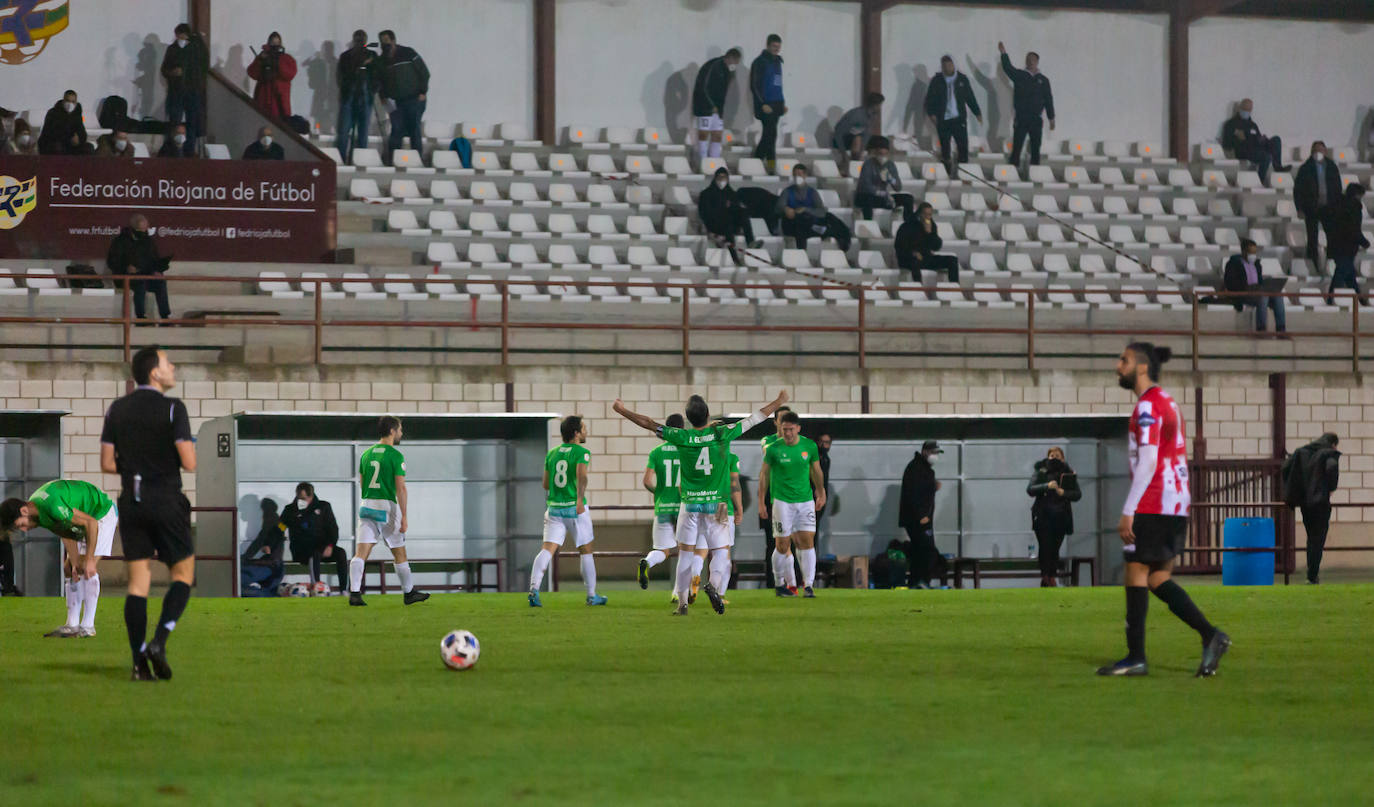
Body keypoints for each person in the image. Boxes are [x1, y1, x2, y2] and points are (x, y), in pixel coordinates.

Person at [1098, 342, 1230, 677]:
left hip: (1155, 500)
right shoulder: (1167, 401)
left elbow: (1149, 460)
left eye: (1123, 360)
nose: (1118, 366)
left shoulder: (1148, 406)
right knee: (1157, 577)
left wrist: (1129, 509)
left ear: (1141, 368)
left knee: (1136, 571)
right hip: (1175, 502)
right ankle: (1209, 635)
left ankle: (1136, 657)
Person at [614, 390, 790, 615]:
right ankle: (714, 586)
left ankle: (682, 603)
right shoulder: (722, 433)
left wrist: (621, 410)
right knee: (720, 552)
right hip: (717, 505)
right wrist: (778, 402)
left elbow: (648, 423)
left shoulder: (681, 437)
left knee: (686, 555)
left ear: (688, 419)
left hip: (689, 505)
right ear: (708, 414)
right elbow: (755, 418)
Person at [100, 347, 197, 681]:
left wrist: (136, 466)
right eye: (168, 363)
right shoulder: (173, 409)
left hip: (132, 502)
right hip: (166, 499)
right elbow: (189, 462)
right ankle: (160, 640)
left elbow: (107, 463)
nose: (173, 367)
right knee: (183, 575)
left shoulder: (117, 409)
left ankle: (138, 663)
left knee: (137, 584)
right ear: (154, 373)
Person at [1, 479, 117, 638]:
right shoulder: (39, 512)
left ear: (24, 511)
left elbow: (91, 523)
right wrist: (73, 560)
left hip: (101, 513)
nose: (23, 530)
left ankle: (88, 627)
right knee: (69, 568)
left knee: (86, 567)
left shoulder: (51, 506)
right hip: (87, 521)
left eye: (20, 525)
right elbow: (65, 531)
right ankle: (72, 624)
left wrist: (89, 559)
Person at [347, 416, 429, 606]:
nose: (401, 433)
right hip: (387, 506)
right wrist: (405, 516)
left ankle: (354, 593)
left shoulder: (366, 454)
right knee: (399, 552)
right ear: (392, 431)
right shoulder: (395, 455)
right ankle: (409, 593)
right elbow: (401, 488)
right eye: (400, 429)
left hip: (367, 504)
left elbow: (362, 481)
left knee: (361, 552)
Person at [527, 416, 606, 607]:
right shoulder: (582, 452)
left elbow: (545, 483)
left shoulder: (552, 454)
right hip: (575, 508)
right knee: (586, 551)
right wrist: (579, 499)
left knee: (547, 550)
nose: (586, 431)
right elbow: (582, 476)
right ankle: (591, 595)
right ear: (576, 433)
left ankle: (534, 589)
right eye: (584, 428)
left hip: (554, 508)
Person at [759, 411, 826, 598]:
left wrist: (820, 492)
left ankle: (809, 585)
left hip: (805, 501)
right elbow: (763, 476)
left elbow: (816, 470)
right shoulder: (773, 449)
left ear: (798, 428)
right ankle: (779, 583)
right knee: (782, 544)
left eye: (790, 429)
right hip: (782, 502)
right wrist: (761, 503)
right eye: (784, 429)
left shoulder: (809, 446)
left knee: (807, 541)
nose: (787, 433)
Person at [1281, 433, 1340, 584]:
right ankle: (1312, 575)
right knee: (1318, 539)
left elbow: (1286, 466)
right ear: (1333, 444)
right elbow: (1332, 467)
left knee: (1311, 537)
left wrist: (1293, 488)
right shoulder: (1328, 453)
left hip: (1305, 503)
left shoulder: (1302, 452)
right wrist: (1331, 487)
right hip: (1320, 502)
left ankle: (1311, 574)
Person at [639, 414, 685, 590]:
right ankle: (677, 593)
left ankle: (647, 562)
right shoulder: (686, 450)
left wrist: (659, 492)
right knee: (686, 551)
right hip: (683, 507)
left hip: (663, 506)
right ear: (682, 429)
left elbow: (646, 481)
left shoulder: (656, 452)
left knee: (662, 551)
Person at [1026, 447, 1081, 587]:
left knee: (1055, 548)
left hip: (1061, 517)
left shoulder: (1068, 473)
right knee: (1045, 546)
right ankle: (1045, 576)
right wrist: (1047, 486)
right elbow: (1030, 489)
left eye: (1058, 455)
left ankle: (1052, 575)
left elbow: (1077, 494)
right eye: (1052, 455)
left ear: (1063, 458)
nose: (1055, 458)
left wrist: (1064, 493)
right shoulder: (1041, 471)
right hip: (1043, 516)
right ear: (1047, 457)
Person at [280, 482, 346, 593]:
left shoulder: (323, 507)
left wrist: (330, 545)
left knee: (341, 553)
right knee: (314, 554)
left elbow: (333, 528)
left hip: (323, 547)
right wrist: (271, 541)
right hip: (301, 549)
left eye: (304, 498)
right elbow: (280, 527)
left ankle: (345, 589)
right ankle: (317, 588)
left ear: (311, 496)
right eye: (298, 497)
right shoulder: (290, 510)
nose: (300, 501)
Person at [998, 41, 1055, 167]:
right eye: (1028, 59)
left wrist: (1051, 118)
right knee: (1017, 146)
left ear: (1037, 61)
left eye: (1033, 59)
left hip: (1036, 119)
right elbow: (1008, 68)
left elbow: (1048, 99)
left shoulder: (1043, 80)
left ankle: (1034, 171)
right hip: (1022, 118)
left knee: (1035, 148)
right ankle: (1013, 169)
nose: (1030, 61)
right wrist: (1003, 54)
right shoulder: (1020, 75)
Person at [107, 214, 172, 322]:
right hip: (125, 276)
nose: (144, 231)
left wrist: (157, 270)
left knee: (160, 282)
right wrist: (126, 268)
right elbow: (112, 262)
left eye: (145, 229)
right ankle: (140, 318)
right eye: (141, 229)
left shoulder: (148, 241)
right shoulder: (120, 241)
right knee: (140, 283)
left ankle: (165, 317)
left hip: (145, 274)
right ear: (133, 228)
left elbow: (154, 260)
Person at [924, 56, 982, 174]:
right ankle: (947, 173)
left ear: (953, 65)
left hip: (958, 120)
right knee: (945, 149)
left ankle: (963, 173)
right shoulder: (936, 80)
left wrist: (977, 113)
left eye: (949, 65)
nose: (947, 68)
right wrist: (931, 114)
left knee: (963, 147)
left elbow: (970, 97)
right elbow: (929, 100)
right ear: (942, 67)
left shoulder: (962, 79)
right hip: (943, 120)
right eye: (944, 66)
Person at [378, 30, 429, 157]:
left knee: (414, 130)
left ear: (393, 40)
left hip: (414, 99)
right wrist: (383, 96)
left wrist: (423, 91)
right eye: (382, 42)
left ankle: (416, 159)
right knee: (396, 130)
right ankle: (393, 159)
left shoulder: (408, 52)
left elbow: (424, 72)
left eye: (386, 41)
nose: (384, 44)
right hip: (395, 102)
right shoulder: (382, 60)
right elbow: (379, 80)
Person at [161, 23, 209, 156]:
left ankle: (189, 150)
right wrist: (172, 72)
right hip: (176, 91)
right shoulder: (172, 49)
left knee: (192, 122)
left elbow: (204, 65)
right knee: (174, 121)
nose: (179, 38)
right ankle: (172, 150)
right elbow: (164, 69)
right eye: (177, 36)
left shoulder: (196, 49)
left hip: (192, 91)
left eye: (182, 35)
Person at [899, 440, 942, 589]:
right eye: (933, 453)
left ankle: (915, 583)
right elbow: (912, 494)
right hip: (918, 519)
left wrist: (933, 486)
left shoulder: (923, 468)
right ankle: (922, 581)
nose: (935, 456)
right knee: (928, 551)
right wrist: (921, 515)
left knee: (919, 551)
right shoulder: (916, 469)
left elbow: (922, 490)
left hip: (920, 518)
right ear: (925, 452)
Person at [691, 47, 742, 166]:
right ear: (730, 58)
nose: (735, 65)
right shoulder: (713, 65)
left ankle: (713, 162)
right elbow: (703, 86)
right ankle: (702, 162)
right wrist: (711, 105)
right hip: (705, 106)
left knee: (717, 134)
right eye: (735, 62)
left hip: (719, 109)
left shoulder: (729, 71)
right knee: (703, 133)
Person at [758, 405, 791, 590]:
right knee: (773, 542)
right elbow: (768, 451)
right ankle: (774, 584)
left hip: (792, 498)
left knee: (793, 543)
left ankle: (793, 583)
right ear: (776, 423)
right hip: (773, 497)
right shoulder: (768, 441)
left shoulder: (799, 443)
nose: (787, 423)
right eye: (783, 420)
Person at [1223, 238, 1287, 333]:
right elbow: (1230, 283)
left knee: (1278, 296)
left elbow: (1260, 281)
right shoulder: (1233, 264)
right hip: (1243, 293)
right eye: (1250, 252)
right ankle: (1261, 329)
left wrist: (1265, 285)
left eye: (1254, 252)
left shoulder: (1257, 264)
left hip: (1257, 291)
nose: (1253, 255)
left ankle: (1281, 329)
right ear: (1243, 251)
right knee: (1263, 297)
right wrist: (1246, 288)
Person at [698, 167, 760, 263]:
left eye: (724, 177)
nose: (722, 180)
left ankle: (750, 241)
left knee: (743, 213)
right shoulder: (706, 194)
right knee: (728, 227)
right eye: (719, 177)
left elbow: (736, 209)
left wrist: (733, 206)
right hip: (714, 225)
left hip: (729, 223)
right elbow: (704, 213)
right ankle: (735, 259)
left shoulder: (731, 193)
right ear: (715, 178)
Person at [1294, 141, 1342, 264]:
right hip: (1311, 208)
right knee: (1312, 238)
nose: (1318, 153)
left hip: (1329, 207)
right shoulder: (1305, 168)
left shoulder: (1332, 167)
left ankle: (1331, 263)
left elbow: (1338, 188)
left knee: (1332, 236)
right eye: (1315, 151)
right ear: (1311, 152)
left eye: (1320, 150)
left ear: (1325, 151)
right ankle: (1313, 263)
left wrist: (1338, 206)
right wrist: (1299, 208)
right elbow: (1298, 190)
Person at [1321, 183, 1369, 305]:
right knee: (1342, 273)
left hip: (1335, 245)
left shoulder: (1336, 205)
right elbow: (1354, 229)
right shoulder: (1354, 208)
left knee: (1349, 275)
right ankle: (1331, 299)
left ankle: (1360, 299)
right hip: (1347, 247)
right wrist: (1364, 242)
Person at [336, 30, 377, 165]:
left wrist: (373, 91)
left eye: (362, 39)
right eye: (357, 39)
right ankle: (341, 159)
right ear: (353, 40)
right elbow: (342, 76)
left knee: (363, 133)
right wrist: (361, 64)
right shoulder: (346, 56)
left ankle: (361, 161)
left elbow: (377, 75)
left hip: (365, 98)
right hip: (349, 97)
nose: (360, 41)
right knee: (343, 131)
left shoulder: (372, 55)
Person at [1221, 99, 1286, 183]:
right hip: (1243, 150)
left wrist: (1262, 139)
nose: (1246, 112)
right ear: (1239, 108)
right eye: (1244, 109)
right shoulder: (1231, 124)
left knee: (1276, 140)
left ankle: (1278, 167)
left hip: (1257, 148)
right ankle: (1259, 181)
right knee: (1267, 156)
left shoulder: (1253, 125)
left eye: (1248, 110)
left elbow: (1257, 137)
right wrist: (1237, 138)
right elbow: (1227, 145)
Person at [895, 202, 959, 282]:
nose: (927, 217)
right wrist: (912, 253)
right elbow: (899, 247)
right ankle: (919, 288)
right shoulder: (907, 226)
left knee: (952, 260)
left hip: (925, 258)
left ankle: (955, 287)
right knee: (915, 262)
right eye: (925, 214)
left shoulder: (932, 226)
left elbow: (936, 246)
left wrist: (930, 234)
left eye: (929, 214)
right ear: (919, 214)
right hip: (908, 259)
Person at [855, 135, 914, 220]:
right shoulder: (868, 164)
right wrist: (881, 193)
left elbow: (898, 187)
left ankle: (909, 224)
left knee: (908, 198)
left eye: (885, 154)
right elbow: (865, 186)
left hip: (883, 197)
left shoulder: (890, 165)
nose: (883, 157)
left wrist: (891, 179)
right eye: (880, 154)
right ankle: (868, 224)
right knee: (867, 199)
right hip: (867, 196)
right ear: (875, 153)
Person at [750, 34, 786, 170]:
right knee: (769, 135)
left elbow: (778, 85)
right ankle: (762, 163)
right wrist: (762, 104)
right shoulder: (759, 62)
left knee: (771, 136)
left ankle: (762, 163)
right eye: (774, 46)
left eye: (778, 46)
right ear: (768, 45)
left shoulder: (778, 62)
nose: (776, 49)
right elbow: (754, 85)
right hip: (766, 104)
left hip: (777, 103)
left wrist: (782, 103)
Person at [246, 31, 297, 119]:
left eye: (277, 43)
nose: (275, 45)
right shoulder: (263, 56)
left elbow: (290, 74)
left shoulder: (286, 58)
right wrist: (260, 61)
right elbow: (252, 73)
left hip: (279, 101)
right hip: (263, 99)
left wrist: (277, 64)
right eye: (273, 43)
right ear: (269, 43)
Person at [777, 163, 827, 249]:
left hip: (807, 224)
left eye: (799, 174)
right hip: (791, 225)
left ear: (805, 175)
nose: (797, 177)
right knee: (800, 222)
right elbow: (778, 208)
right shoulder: (787, 192)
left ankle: (802, 250)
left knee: (803, 220)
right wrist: (785, 209)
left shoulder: (812, 192)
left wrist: (805, 209)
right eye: (795, 175)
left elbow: (821, 212)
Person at [831, 92, 884, 165]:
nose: (880, 108)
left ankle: (861, 165)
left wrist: (862, 152)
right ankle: (851, 164)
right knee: (857, 138)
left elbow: (867, 135)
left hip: (856, 144)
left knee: (881, 143)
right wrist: (844, 155)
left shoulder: (873, 116)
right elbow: (838, 134)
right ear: (874, 105)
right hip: (839, 142)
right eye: (879, 105)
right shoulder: (856, 115)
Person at [37, 90, 91, 155]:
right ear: (63, 101)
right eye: (68, 101)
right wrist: (69, 139)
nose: (70, 104)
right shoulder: (53, 113)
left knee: (88, 148)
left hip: (71, 145)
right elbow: (50, 133)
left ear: (76, 103)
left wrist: (79, 138)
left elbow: (82, 132)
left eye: (73, 102)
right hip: (53, 143)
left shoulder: (77, 115)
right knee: (57, 147)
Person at [240, 498, 285, 565]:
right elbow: (283, 529)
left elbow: (261, 539)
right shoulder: (275, 517)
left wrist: (247, 555)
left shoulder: (271, 518)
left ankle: (247, 557)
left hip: (272, 554)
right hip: (275, 553)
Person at [0, 528, 20, 595]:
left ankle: (8, 589)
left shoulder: (7, 545)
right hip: (6, 567)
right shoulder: (5, 545)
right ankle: (8, 590)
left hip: (7, 566)